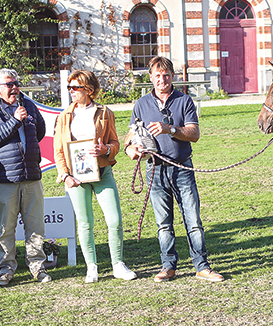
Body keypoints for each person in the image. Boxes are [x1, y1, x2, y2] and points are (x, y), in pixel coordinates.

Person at [124, 56, 224, 283]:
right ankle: (168, 266)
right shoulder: (141, 105)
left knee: (193, 220)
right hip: (155, 171)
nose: (162, 79)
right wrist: (132, 151)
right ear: (150, 78)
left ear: (173, 76)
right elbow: (129, 140)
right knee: (163, 224)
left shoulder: (184, 101)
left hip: (182, 169)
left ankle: (202, 266)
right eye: (157, 76)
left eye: (166, 75)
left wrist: (170, 129)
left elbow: (194, 134)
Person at [54, 70, 137, 283]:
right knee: (85, 223)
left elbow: (116, 143)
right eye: (69, 88)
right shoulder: (64, 116)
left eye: (75, 88)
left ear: (89, 90)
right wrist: (65, 176)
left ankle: (118, 264)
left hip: (102, 172)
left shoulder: (104, 112)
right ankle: (91, 267)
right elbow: (58, 150)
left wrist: (106, 150)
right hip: (76, 177)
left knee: (115, 220)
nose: (71, 91)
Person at [0, 68, 50, 286]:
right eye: (10, 84)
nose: (15, 87)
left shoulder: (27, 104)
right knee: (6, 228)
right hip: (4, 179)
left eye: (16, 83)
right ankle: (6, 269)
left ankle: (38, 267)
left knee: (35, 226)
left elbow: (40, 130)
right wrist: (14, 121)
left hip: (31, 176)